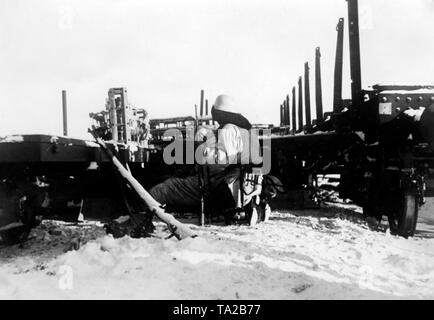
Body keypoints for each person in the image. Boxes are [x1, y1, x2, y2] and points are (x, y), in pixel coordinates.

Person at [149, 94, 266, 225]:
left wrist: (202, 149)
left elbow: (219, 162)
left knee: (164, 189)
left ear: (221, 112)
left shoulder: (227, 130)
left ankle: (143, 213)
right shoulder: (244, 130)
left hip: (215, 186)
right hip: (241, 187)